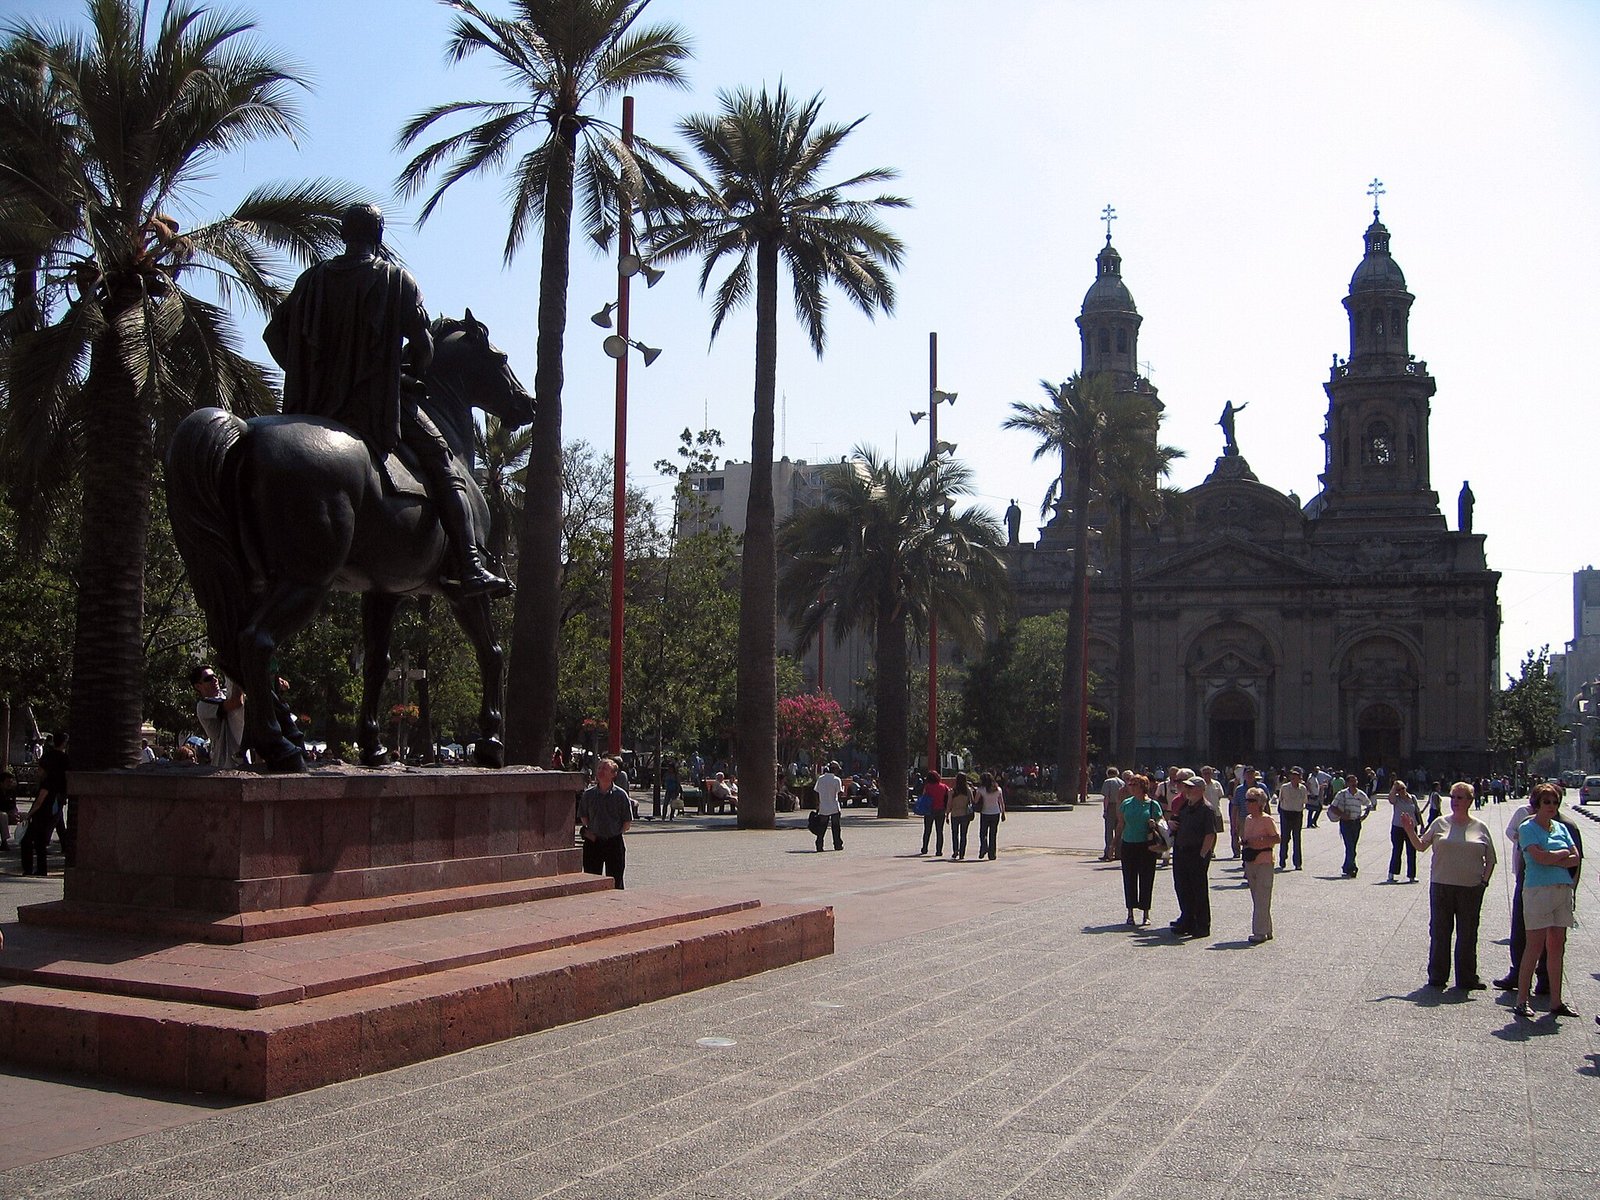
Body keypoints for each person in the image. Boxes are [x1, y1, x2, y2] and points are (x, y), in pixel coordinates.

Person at [264, 202, 507, 596]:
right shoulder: (395, 279)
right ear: (378, 236)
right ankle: (470, 565)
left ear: (344, 235)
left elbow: (273, 337)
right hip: (374, 406)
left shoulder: (312, 279)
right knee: (444, 464)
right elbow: (423, 347)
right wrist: (408, 371)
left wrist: (313, 373)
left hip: (315, 406)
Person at [1399, 780, 1496, 991]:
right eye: (1452, 797)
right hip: (1442, 886)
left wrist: (1483, 883)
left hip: (1471, 888)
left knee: (1468, 933)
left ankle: (1467, 977)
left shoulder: (1480, 827)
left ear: (1470, 800)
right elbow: (1420, 846)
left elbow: (1491, 860)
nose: (1455, 801)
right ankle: (1437, 975)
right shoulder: (1440, 823)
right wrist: (1409, 830)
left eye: (1460, 797)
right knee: (1440, 931)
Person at [1513, 782, 1580, 1020]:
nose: (1551, 806)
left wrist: (1554, 857)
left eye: (1554, 802)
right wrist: (1560, 855)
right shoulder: (1527, 827)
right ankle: (1522, 999)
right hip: (1538, 890)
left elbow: (1576, 859)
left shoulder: (1561, 828)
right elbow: (1539, 858)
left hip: (1561, 889)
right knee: (1534, 945)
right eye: (1546, 802)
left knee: (1557, 945)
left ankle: (1556, 1001)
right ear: (1537, 804)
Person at [1169, 775, 1217, 938]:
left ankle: (1202, 925)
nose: (1187, 790)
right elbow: (1178, 821)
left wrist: (1202, 855)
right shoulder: (1185, 806)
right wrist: (1171, 824)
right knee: (1182, 887)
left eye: (1191, 787)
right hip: (1181, 851)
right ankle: (1187, 920)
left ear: (1201, 790)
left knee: (1198, 890)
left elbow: (1210, 834)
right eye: (1186, 787)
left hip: (1196, 853)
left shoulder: (1207, 809)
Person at [577, 757, 632, 889]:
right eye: (599, 768)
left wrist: (614, 832)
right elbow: (584, 817)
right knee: (591, 879)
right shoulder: (588, 795)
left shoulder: (621, 795)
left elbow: (627, 822)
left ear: (614, 774)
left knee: (616, 880)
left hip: (614, 842)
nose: (601, 771)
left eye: (605, 768)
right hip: (593, 842)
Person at [1116, 774, 1163, 925]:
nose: (1131, 787)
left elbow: (1161, 824)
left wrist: (1153, 824)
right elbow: (1121, 824)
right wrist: (1114, 844)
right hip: (1128, 844)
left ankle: (1146, 912)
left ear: (1143, 787)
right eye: (1130, 784)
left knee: (1146, 878)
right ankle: (1130, 912)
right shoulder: (1126, 804)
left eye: (1134, 784)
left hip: (1147, 845)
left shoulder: (1153, 805)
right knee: (1129, 878)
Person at [20, 731, 69, 876]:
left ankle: (30, 868)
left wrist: (29, 814)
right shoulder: (65, 760)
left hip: (44, 811)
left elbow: (40, 801)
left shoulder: (47, 782)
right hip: (55, 804)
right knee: (42, 841)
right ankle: (41, 869)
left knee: (29, 840)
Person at [1239, 787, 1280, 943]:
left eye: (1252, 801)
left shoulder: (1267, 819)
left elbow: (1277, 838)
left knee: (1263, 897)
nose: (1248, 804)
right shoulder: (1248, 819)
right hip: (1250, 861)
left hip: (1264, 860)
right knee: (1257, 898)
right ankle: (1267, 929)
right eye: (1247, 800)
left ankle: (1259, 932)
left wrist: (1260, 841)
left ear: (1260, 803)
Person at [191, 664, 246, 768]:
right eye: (208, 678)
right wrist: (236, 672)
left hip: (241, 753)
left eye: (215, 676)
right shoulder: (203, 706)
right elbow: (237, 702)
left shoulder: (226, 693)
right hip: (226, 760)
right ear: (198, 686)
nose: (215, 680)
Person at [1329, 772, 1373, 877]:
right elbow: (1332, 807)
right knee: (1349, 845)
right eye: (1352, 781)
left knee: (1352, 846)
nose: (1354, 783)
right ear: (1347, 783)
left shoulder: (1360, 794)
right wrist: (1342, 815)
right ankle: (1352, 868)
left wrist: (1365, 815)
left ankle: (1346, 866)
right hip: (1346, 823)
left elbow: (1368, 804)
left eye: (1355, 781)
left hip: (1356, 822)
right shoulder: (1342, 794)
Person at [1386, 780, 1420, 883]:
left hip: (1411, 827)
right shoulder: (1396, 799)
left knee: (1412, 851)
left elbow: (1417, 812)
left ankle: (1412, 875)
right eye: (1399, 790)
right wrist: (1394, 787)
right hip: (1398, 827)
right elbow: (1390, 799)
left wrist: (1422, 825)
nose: (1401, 791)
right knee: (1397, 850)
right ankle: (1392, 874)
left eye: (1403, 788)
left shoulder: (1412, 798)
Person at [1276, 766, 1308, 871]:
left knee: (1297, 838)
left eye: (1297, 777)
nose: (1294, 780)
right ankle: (1282, 860)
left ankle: (1298, 863)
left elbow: (1304, 801)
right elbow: (1280, 799)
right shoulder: (1284, 787)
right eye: (1293, 777)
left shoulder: (1303, 788)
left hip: (1297, 814)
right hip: (1286, 813)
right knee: (1285, 838)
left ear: (1300, 778)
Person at [917, 769, 950, 856]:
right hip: (941, 810)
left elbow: (924, 796)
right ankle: (939, 850)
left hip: (929, 810)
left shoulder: (927, 787)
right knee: (939, 831)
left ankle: (924, 848)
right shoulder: (944, 787)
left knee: (927, 830)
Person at [814, 761, 844, 852]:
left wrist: (818, 804)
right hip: (834, 806)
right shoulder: (836, 780)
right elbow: (839, 793)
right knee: (836, 827)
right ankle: (837, 844)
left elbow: (816, 791)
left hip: (823, 806)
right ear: (835, 770)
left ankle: (819, 845)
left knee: (822, 827)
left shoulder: (821, 779)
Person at [975, 771, 1005, 860]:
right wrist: (1003, 812)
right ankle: (992, 854)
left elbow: (976, 801)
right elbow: (1001, 802)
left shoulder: (981, 790)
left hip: (985, 813)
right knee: (993, 834)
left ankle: (984, 847)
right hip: (996, 813)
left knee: (982, 833)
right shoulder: (998, 789)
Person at [947, 772, 975, 861]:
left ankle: (955, 850)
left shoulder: (952, 791)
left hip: (955, 814)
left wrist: (947, 814)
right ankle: (962, 853)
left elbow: (949, 804)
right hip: (965, 814)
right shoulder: (968, 790)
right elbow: (972, 802)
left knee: (954, 834)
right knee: (964, 834)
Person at [1099, 766, 1124, 862]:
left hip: (1111, 807)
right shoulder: (1122, 782)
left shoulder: (1108, 782)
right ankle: (1119, 853)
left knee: (1109, 831)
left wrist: (1105, 810)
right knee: (1119, 831)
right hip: (1121, 806)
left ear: (1108, 773)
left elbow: (1106, 797)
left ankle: (1108, 852)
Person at [1, 768, 15, 852]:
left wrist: (14, 813)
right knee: (3, 816)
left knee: (26, 816)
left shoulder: (11, 792)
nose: (10, 784)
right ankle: (4, 842)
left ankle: (30, 840)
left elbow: (13, 805)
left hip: (9, 813)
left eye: (11, 782)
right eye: (7, 782)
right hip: (2, 814)